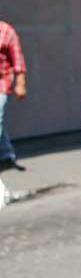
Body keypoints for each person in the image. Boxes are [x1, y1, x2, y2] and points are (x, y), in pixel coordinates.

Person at [0, 19, 26, 172]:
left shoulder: (6, 31)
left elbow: (18, 62)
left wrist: (20, 84)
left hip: (1, 83)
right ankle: (6, 155)